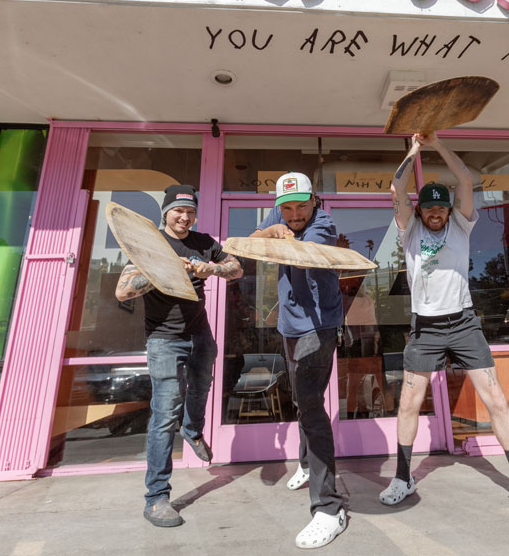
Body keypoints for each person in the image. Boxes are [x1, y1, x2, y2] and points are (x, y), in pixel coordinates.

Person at [380, 134, 509, 519]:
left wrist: (437, 142)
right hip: (425, 328)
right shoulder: (410, 232)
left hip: (464, 324)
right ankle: (403, 477)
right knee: (408, 403)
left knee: (495, 401)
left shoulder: (460, 226)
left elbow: (467, 180)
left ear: (448, 209)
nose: (436, 213)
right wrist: (415, 148)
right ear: (420, 211)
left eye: (441, 207)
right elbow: (396, 187)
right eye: (429, 208)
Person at [115, 184, 243, 528]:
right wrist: (163, 270)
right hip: (163, 340)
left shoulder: (203, 242)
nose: (184, 218)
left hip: (199, 334)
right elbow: (124, 289)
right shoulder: (149, 243)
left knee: (203, 382)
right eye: (178, 211)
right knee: (163, 414)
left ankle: (193, 429)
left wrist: (210, 269)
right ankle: (156, 498)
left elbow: (236, 268)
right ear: (166, 212)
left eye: (190, 212)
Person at [250, 172, 347, 549]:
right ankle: (307, 465)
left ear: (314, 202)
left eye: (300, 206)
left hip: (321, 326)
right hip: (290, 325)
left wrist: (279, 236)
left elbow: (299, 251)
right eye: (286, 208)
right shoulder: (280, 217)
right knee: (302, 400)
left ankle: (328, 508)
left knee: (309, 405)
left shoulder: (323, 222)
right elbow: (249, 244)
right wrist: (268, 232)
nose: (294, 214)